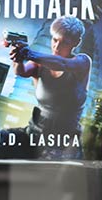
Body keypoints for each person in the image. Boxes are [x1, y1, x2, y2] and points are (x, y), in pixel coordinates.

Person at [7, 16, 92, 159]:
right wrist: (18, 57)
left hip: (65, 142)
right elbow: (20, 71)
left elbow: (63, 64)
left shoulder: (82, 62)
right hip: (36, 133)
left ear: (76, 43)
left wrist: (28, 53)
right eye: (55, 40)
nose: (57, 47)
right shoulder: (40, 63)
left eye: (64, 42)